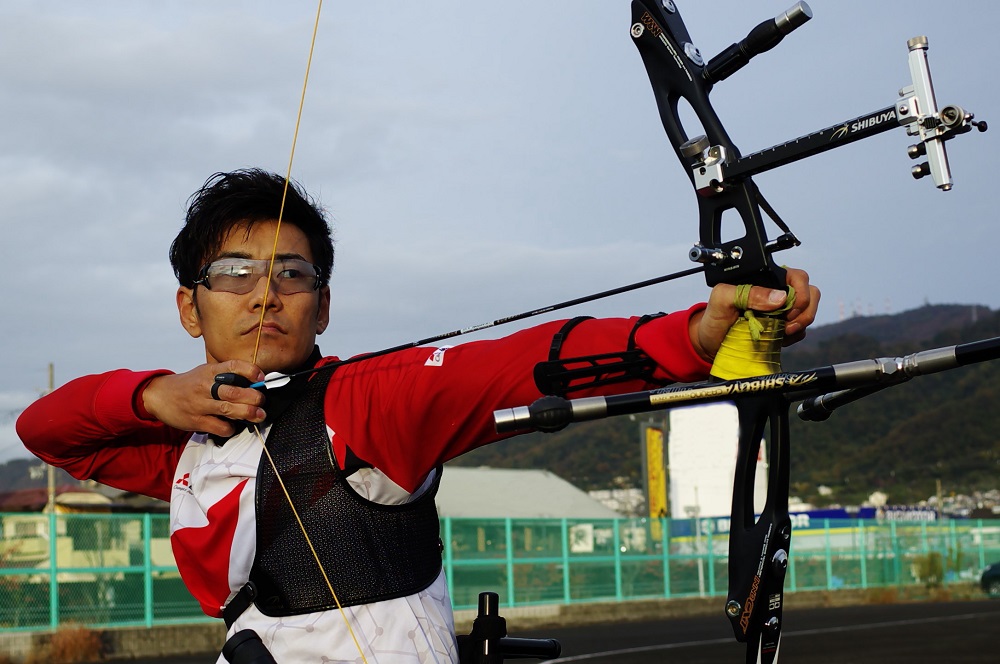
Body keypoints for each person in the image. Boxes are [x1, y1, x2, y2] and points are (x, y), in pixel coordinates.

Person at [17, 168, 819, 663]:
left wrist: (690, 336)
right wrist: (153, 394)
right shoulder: (186, 445)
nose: (266, 293)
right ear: (189, 308)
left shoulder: (369, 402)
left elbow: (514, 365)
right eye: (235, 273)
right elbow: (44, 431)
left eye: (292, 273)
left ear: (324, 305)